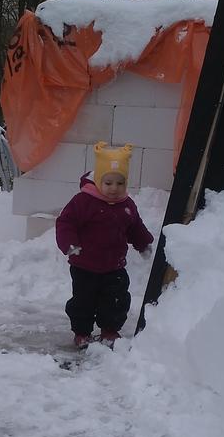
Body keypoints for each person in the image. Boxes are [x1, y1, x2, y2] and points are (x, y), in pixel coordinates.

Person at [55, 142, 154, 349]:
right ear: (99, 180)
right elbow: (66, 222)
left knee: (116, 300)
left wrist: (143, 243)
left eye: (120, 183)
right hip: (84, 265)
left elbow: (135, 226)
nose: (114, 189)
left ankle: (110, 330)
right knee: (83, 301)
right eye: (108, 183)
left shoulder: (126, 205)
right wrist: (70, 245)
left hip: (114, 266)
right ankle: (82, 332)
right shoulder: (83, 201)